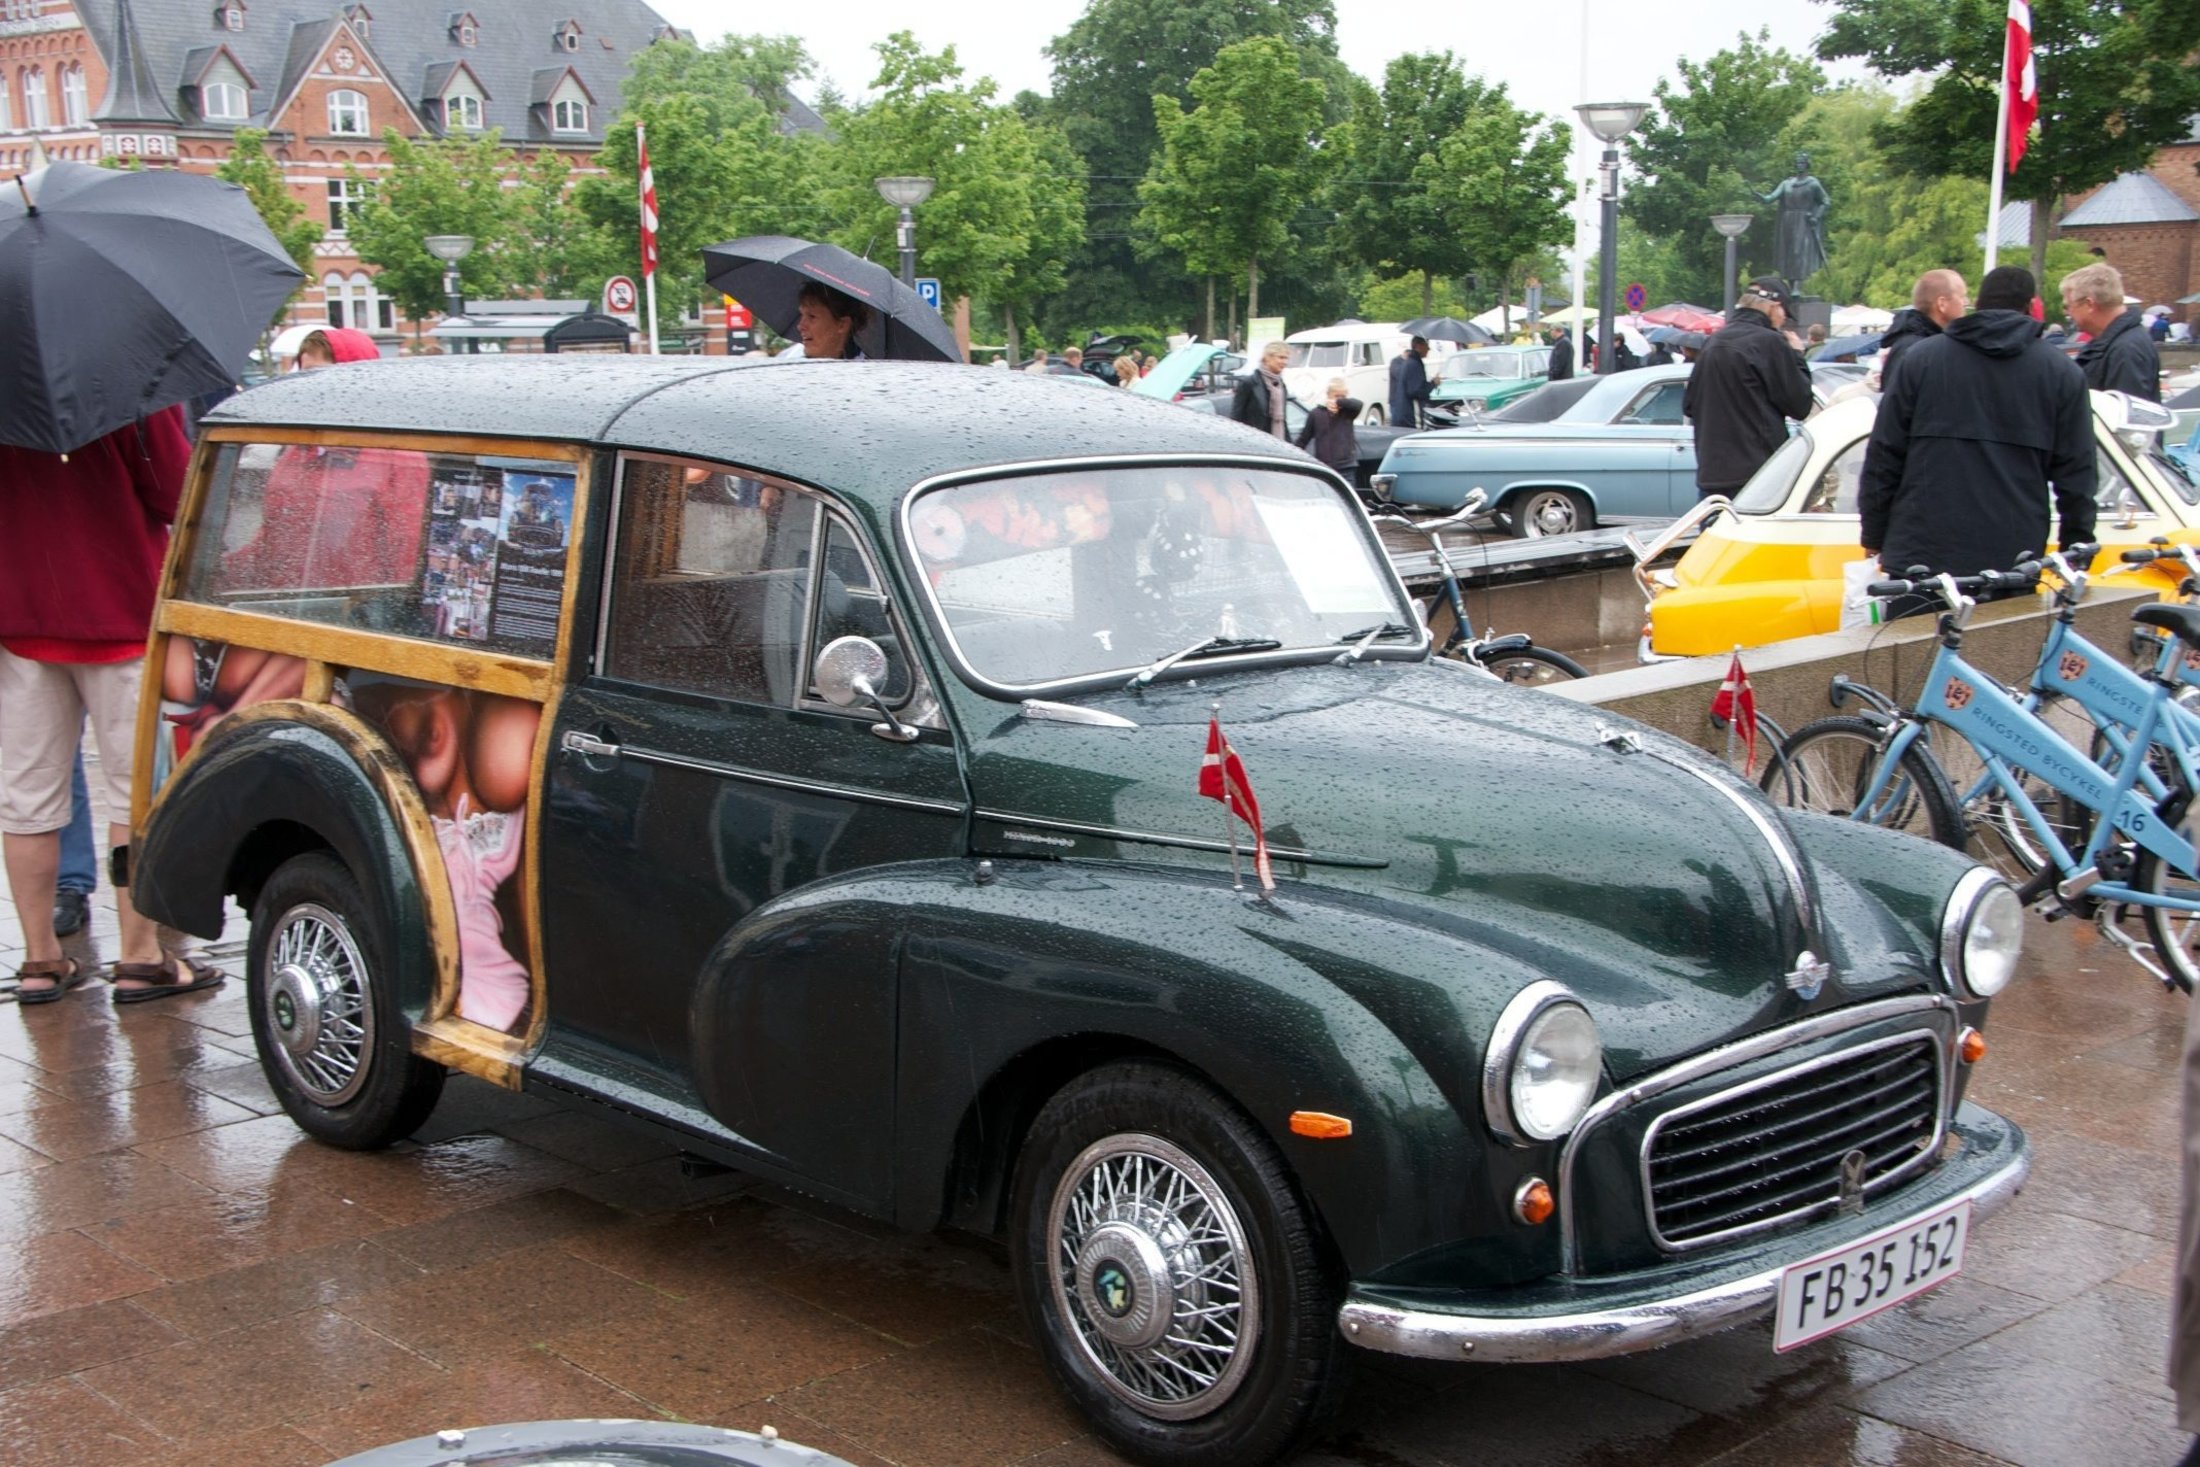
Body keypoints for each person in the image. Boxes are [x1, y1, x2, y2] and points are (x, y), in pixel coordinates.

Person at [0, 406, 224, 1003]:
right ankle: (140, 957)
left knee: (27, 801)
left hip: (19, 614)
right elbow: (179, 495)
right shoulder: (125, 386)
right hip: (122, 615)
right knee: (136, 796)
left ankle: (41, 960)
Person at [1859, 265, 2096, 620]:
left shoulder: (1922, 360)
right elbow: (2077, 474)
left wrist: (1874, 532)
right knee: (2000, 669)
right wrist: (2075, 553)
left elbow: (1884, 454)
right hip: (2011, 556)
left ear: (1978, 304)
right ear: (2032, 307)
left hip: (1922, 552)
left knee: (1910, 668)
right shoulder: (2061, 374)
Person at [1682, 275, 1814, 501]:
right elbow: (1800, 404)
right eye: (1784, 314)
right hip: (1758, 475)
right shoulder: (1770, 342)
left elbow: (1689, 405)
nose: (1783, 321)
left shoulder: (1713, 342)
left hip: (1712, 473)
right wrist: (1797, 356)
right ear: (1775, 306)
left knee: (1715, 535)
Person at [2062, 262, 2161, 401]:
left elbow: (2124, 415)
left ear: (2089, 304)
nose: (2066, 313)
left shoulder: (2125, 349)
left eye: (2067, 306)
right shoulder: (2118, 342)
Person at [1878, 269, 1968, 391]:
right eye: (1962, 296)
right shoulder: (1916, 349)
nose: (1966, 303)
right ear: (1942, 304)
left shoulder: (1919, 343)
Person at [1293, 377, 1362, 478]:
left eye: (1343, 396)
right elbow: (1303, 439)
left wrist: (1339, 402)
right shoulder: (1316, 413)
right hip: (1325, 467)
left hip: (1346, 467)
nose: (1340, 399)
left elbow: (1358, 405)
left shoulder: (1348, 412)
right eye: (1336, 396)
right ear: (1328, 395)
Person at [794, 280, 870, 360]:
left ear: (842, 325)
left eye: (812, 316)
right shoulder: (791, 361)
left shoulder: (864, 369)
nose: (800, 326)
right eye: (802, 315)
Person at [1231, 341, 1293, 438]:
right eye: (1281, 357)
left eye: (1286, 358)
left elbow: (1282, 420)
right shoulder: (1249, 383)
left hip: (1278, 440)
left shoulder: (1281, 385)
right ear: (1268, 358)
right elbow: (1235, 418)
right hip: (1254, 441)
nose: (1285, 362)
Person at [1387, 335, 1432, 428]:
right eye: (1426, 345)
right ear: (1418, 346)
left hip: (1403, 412)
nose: (1429, 348)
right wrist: (1433, 384)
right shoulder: (1413, 364)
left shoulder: (1412, 362)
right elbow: (1416, 390)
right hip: (1407, 414)